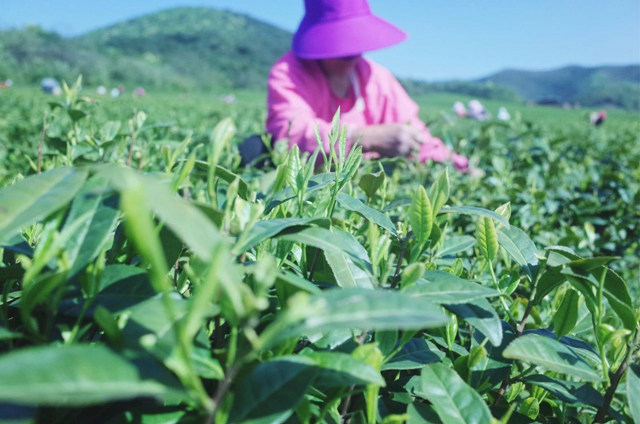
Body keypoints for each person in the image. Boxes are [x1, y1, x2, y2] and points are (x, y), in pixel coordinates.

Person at [265, 0, 469, 171]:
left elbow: (417, 137)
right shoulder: (289, 73)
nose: (352, 54)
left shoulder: (376, 77)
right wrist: (362, 138)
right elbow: (291, 134)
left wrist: (460, 166)